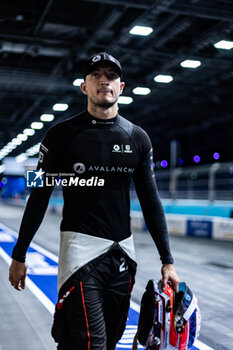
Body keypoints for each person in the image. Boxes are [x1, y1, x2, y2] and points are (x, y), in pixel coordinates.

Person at [9, 52, 180, 349]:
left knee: (104, 342)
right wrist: (19, 254)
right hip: (79, 254)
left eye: (111, 76)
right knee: (93, 343)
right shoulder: (59, 135)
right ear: (84, 86)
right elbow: (38, 194)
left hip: (123, 255)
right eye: (96, 75)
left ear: (121, 87)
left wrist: (168, 261)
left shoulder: (138, 138)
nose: (104, 81)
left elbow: (151, 202)